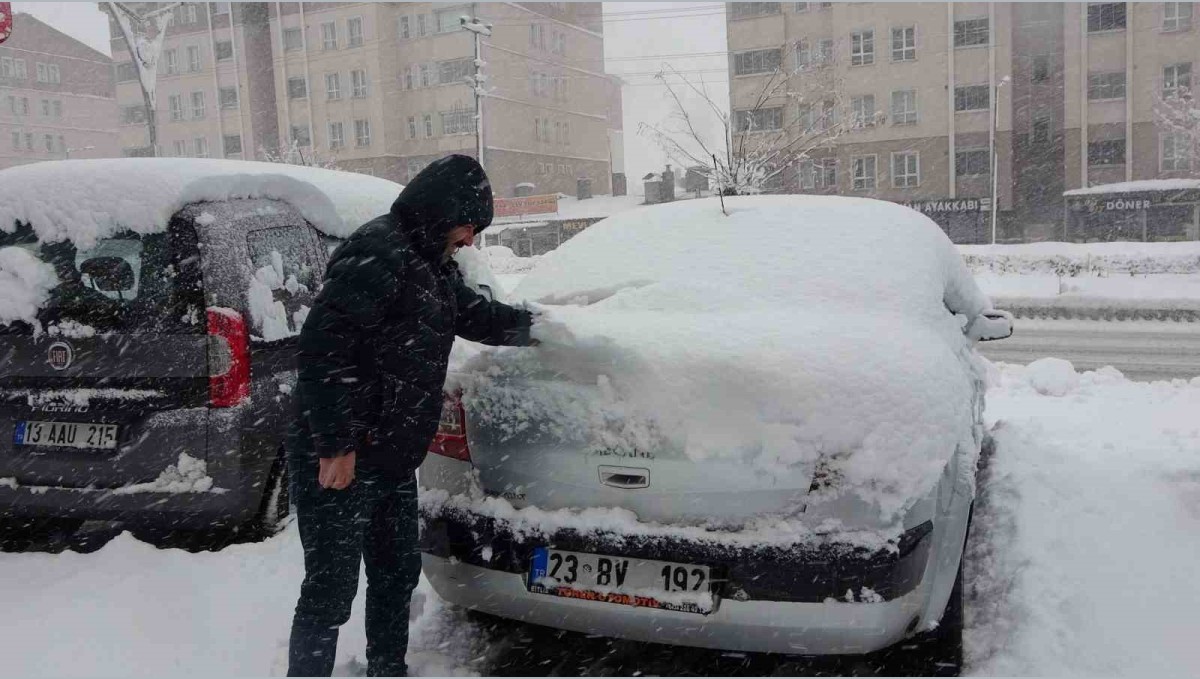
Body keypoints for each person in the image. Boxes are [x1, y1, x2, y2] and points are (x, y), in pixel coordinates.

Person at [286, 154, 535, 677]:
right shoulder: (379, 253)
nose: (470, 240)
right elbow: (321, 350)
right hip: (343, 456)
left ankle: (387, 669)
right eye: (471, 227)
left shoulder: (430, 262)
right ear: (448, 212)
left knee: (396, 573)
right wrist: (335, 445)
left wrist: (543, 329)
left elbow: (474, 315)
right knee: (330, 589)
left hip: (392, 455)